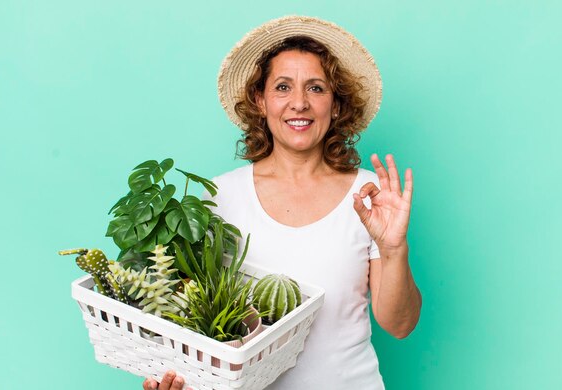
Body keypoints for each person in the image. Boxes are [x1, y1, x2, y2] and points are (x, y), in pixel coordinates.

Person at [143, 15, 421, 390]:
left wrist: (394, 248)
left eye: (317, 89)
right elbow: (198, 324)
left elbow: (399, 325)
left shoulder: (369, 196)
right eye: (283, 87)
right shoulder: (217, 199)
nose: (299, 103)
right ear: (260, 100)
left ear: (336, 105)